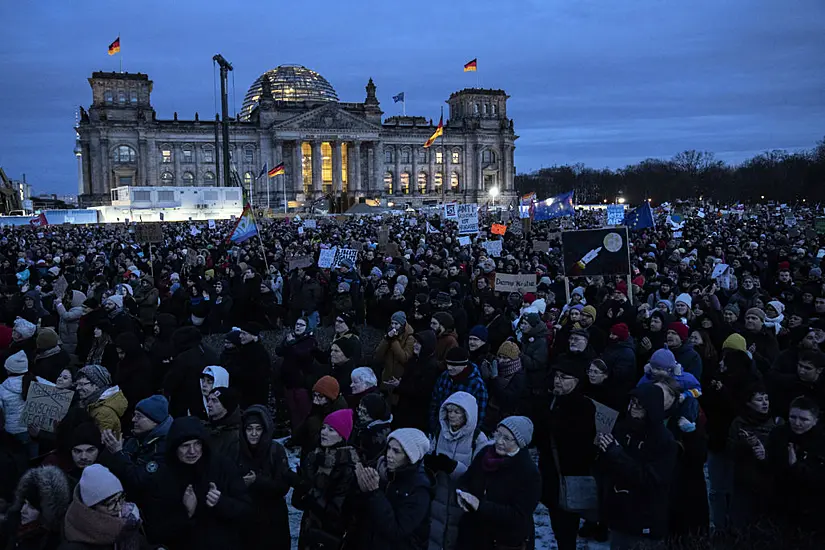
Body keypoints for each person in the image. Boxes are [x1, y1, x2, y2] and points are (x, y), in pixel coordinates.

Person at [143, 416, 253, 550]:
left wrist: (221, 502)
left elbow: (246, 511)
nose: (192, 451)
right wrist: (186, 514)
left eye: (197, 444)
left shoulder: (223, 466)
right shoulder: (163, 477)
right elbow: (155, 531)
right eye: (185, 446)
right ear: (174, 447)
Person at [596, 384, 678, 549]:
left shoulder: (664, 441)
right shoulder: (622, 428)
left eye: (639, 405)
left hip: (645, 519)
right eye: (632, 402)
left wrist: (616, 454)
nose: (633, 408)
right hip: (619, 515)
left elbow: (651, 478)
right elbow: (607, 468)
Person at [454, 416, 541, 550]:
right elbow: (466, 479)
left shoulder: (528, 472)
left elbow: (518, 515)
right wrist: (462, 494)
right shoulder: (485, 454)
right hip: (472, 535)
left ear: (520, 442)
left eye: (506, 438)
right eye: (498, 433)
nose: (499, 441)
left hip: (503, 541)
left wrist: (480, 505)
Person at [537, 359, 596, 550]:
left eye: (564, 377)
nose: (557, 381)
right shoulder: (553, 400)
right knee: (558, 523)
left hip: (570, 476)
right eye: (556, 376)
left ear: (577, 381)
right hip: (551, 473)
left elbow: (579, 443)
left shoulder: (584, 406)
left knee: (567, 528)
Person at [351, 427, 434, 550]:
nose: (389, 455)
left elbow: (397, 530)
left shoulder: (419, 489)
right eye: (388, 448)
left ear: (410, 456)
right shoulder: (384, 471)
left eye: (396, 451)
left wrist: (374, 493)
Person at [426, 392, 488, 550]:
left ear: (467, 414)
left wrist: (452, 466)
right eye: (448, 411)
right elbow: (431, 455)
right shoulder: (439, 432)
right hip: (439, 495)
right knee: (435, 533)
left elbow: (479, 475)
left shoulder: (478, 439)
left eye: (456, 411)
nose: (451, 415)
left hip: (463, 498)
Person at [293, 409, 357, 550]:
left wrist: (309, 490)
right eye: (324, 428)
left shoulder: (347, 467)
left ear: (342, 436)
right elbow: (298, 503)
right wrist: (298, 485)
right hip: (308, 531)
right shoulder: (314, 457)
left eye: (331, 430)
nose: (324, 433)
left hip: (329, 537)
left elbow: (335, 513)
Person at [767, 396, 825, 537]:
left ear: (815, 420)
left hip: (814, 506)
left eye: (804, 419)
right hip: (781, 502)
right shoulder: (779, 435)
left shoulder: (821, 441)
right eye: (793, 417)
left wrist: (796, 466)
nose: (797, 423)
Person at [99, 395, 172, 507]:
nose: (133, 420)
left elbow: (139, 481)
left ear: (154, 421)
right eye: (134, 415)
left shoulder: (163, 448)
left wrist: (118, 453)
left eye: (139, 417)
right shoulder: (135, 439)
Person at [237, 405, 293, 550]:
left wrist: (258, 481)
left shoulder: (275, 451)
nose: (254, 434)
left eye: (258, 429)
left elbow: (282, 486)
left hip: (273, 520)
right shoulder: (237, 450)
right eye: (249, 429)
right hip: (247, 520)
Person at [58, 464, 147, 549]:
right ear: (91, 508)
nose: (119, 507)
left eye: (120, 498)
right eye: (110, 503)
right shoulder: (74, 546)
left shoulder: (126, 522)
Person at [726, 381, 776, 529]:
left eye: (766, 399)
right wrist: (746, 445)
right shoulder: (739, 423)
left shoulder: (775, 422)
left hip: (767, 478)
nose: (765, 403)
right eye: (759, 400)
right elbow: (730, 449)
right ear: (748, 403)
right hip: (743, 477)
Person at [1, 465, 71, 550]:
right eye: (24, 503)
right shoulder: (12, 524)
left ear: (46, 512)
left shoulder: (51, 542)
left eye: (32, 507)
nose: (23, 510)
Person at [162, 326, 219, 418]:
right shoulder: (210, 352)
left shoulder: (183, 358)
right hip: (208, 397)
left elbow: (170, 382)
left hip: (185, 402)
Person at [276, 317, 319, 435]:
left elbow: (302, 354)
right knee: (293, 411)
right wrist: (287, 343)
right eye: (297, 324)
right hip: (288, 382)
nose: (298, 327)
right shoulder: (290, 338)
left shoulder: (310, 340)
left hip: (302, 382)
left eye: (301, 325)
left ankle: (306, 434)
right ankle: (296, 434)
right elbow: (278, 351)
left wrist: (290, 344)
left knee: (304, 411)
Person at [430, 348, 488, 434]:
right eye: (448, 364)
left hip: (463, 432)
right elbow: (435, 401)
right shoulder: (444, 376)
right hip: (440, 428)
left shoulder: (476, 384)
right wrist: (433, 424)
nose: (449, 368)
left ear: (464, 365)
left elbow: (480, 413)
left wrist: (470, 433)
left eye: (454, 365)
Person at [394, 330, 440, 433]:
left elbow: (422, 391)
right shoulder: (414, 360)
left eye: (419, 343)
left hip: (416, 413)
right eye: (415, 342)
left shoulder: (431, 367)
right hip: (405, 408)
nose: (415, 345)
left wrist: (400, 385)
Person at [295, 375, 348, 462]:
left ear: (329, 397)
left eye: (320, 396)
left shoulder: (338, 411)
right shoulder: (320, 405)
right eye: (314, 395)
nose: (315, 400)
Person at [480, 341, 527, 433]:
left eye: (505, 358)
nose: (501, 361)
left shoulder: (519, 376)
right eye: (500, 357)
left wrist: (494, 379)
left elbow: (508, 399)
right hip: (491, 416)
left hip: (506, 419)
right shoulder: (498, 369)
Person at [222, 324, 271, 409]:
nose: (240, 336)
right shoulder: (243, 349)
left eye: (244, 334)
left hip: (253, 395)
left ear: (253, 336)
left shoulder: (258, 353)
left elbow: (257, 375)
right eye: (241, 333)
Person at [373, 311, 415, 406]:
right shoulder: (389, 335)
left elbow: (404, 358)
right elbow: (378, 355)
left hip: (399, 377)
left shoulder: (410, 338)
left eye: (396, 324)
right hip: (387, 375)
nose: (393, 326)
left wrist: (394, 341)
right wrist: (387, 339)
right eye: (392, 323)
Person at [74, 365, 128, 439]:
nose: (77, 388)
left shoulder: (104, 413)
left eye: (82, 384)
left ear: (97, 385)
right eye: (77, 384)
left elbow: (103, 442)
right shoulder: (93, 403)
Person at [352, 392, 393, 466]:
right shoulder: (366, 425)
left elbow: (369, 460)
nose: (359, 414)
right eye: (359, 409)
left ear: (375, 414)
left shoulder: (377, 435)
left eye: (364, 412)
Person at [205, 386, 242, 459]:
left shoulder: (237, 434)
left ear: (226, 405)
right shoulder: (205, 428)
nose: (208, 405)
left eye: (214, 401)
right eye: (208, 400)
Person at [55, 290, 87, 356]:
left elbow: (67, 316)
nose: (68, 300)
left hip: (72, 341)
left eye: (70, 298)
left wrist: (59, 304)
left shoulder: (80, 310)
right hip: (67, 339)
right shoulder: (71, 308)